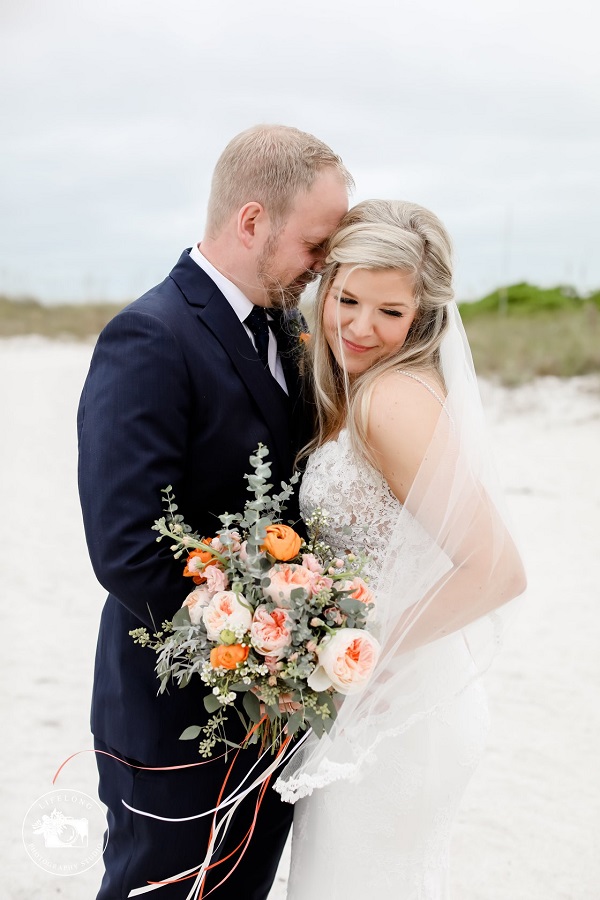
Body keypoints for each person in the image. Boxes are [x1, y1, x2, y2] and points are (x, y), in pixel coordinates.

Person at [77, 124, 352, 899]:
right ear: (253, 220)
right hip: (173, 714)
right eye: (316, 244)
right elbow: (128, 547)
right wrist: (262, 654)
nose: (322, 267)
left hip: (278, 721)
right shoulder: (149, 337)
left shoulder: (294, 332)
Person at [274, 200, 527, 897]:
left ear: (422, 315)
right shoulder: (368, 388)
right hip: (394, 698)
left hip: (396, 714)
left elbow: (498, 569)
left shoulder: (392, 400)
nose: (358, 326)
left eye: (389, 312)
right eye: (347, 299)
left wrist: (370, 656)